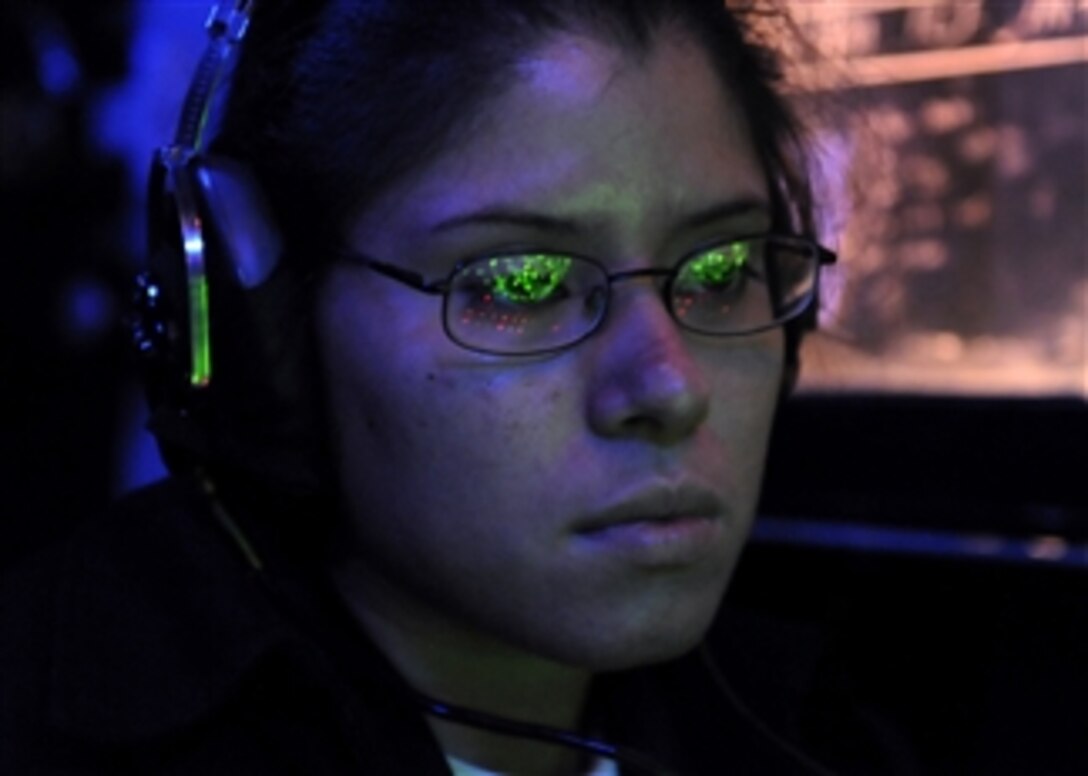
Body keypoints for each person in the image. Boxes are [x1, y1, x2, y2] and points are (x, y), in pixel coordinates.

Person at [1, 1, 845, 773]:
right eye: (520, 284)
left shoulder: (831, 733)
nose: (669, 387)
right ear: (270, 330)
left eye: (724, 270)